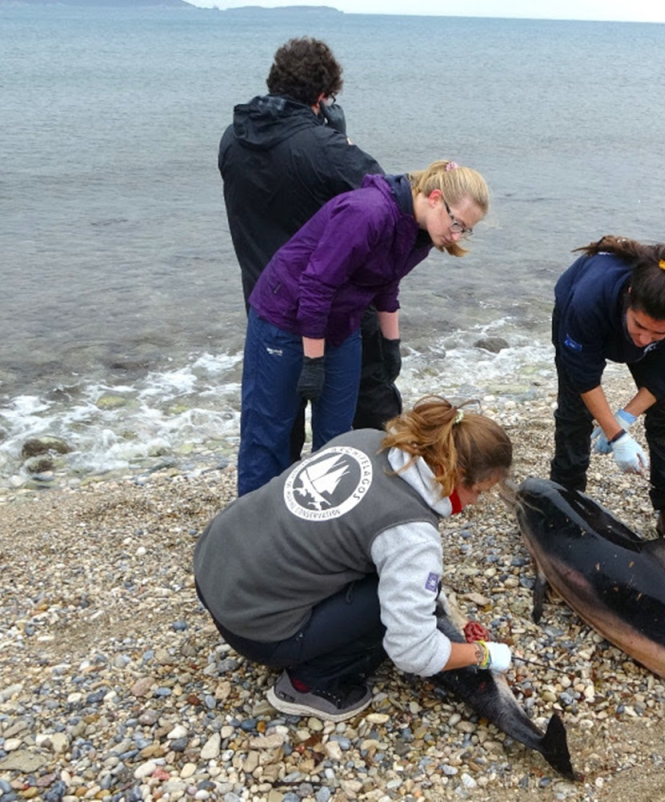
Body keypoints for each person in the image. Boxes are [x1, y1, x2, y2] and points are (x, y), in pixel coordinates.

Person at [194, 396, 516, 723]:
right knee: (385, 606)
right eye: (480, 491)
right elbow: (413, 651)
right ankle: (311, 684)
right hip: (253, 629)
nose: (477, 502)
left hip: (211, 569)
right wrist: (484, 654)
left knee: (397, 577)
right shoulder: (412, 533)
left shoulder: (366, 439)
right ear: (454, 473)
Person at [237, 160, 488, 496]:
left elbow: (387, 283)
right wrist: (313, 361)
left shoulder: (423, 233)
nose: (456, 235)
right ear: (434, 197)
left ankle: (324, 523)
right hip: (284, 319)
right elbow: (316, 284)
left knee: (338, 437)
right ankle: (254, 530)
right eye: (456, 223)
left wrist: (391, 344)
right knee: (269, 434)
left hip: (343, 325)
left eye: (465, 229)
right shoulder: (367, 212)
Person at [218, 36, 402, 457]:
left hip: (265, 304)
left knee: (273, 427)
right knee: (368, 415)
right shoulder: (325, 149)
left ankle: (277, 512)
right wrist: (341, 139)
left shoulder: (233, 138)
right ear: (322, 95)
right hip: (336, 311)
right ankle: (372, 504)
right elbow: (385, 203)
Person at [550, 235, 665, 537]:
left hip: (640, 329)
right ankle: (566, 499)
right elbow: (583, 375)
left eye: (658, 333)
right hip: (585, 316)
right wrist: (616, 435)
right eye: (640, 326)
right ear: (629, 296)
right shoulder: (588, 299)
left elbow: (664, 379)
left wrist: (624, 418)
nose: (644, 339)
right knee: (574, 414)